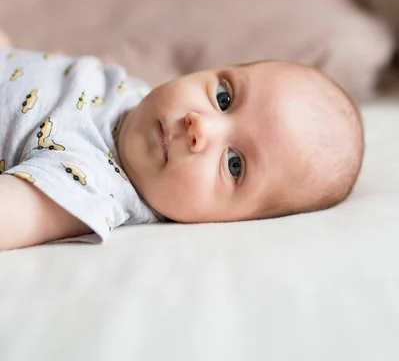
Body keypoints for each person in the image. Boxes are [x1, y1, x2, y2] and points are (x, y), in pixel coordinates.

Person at [0, 49, 364, 251]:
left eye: (234, 164)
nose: (200, 125)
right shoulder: (138, 96)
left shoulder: (89, 184)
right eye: (224, 97)